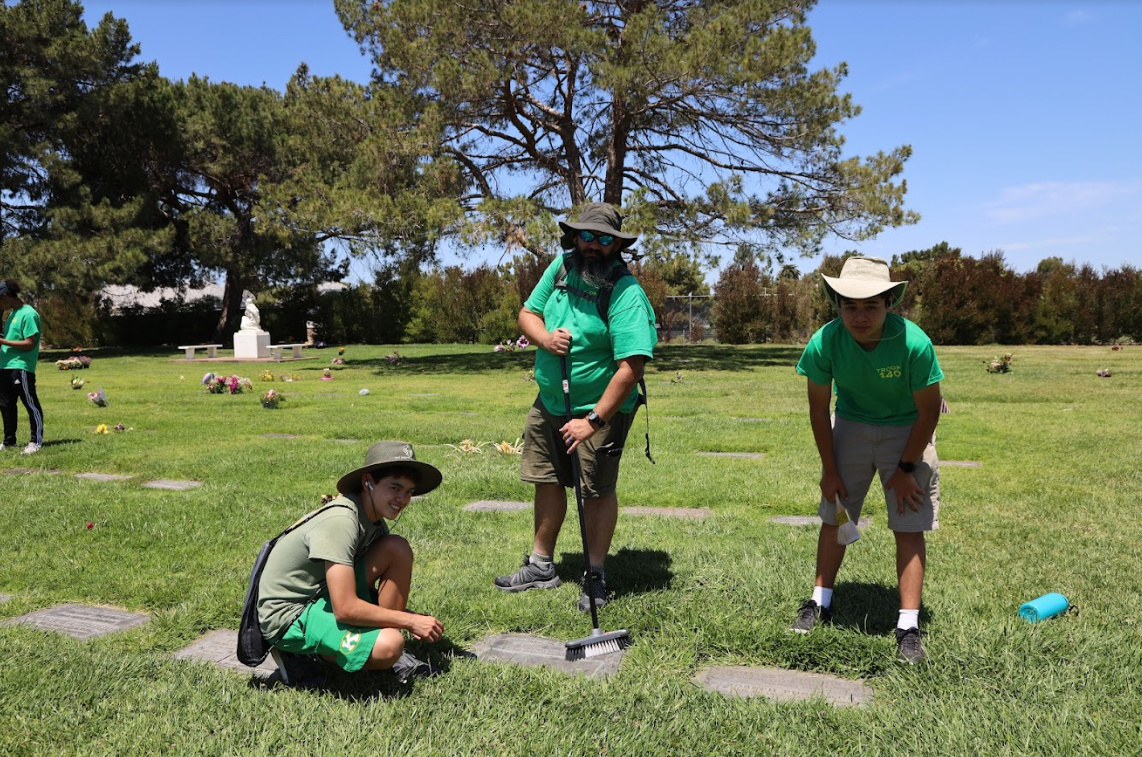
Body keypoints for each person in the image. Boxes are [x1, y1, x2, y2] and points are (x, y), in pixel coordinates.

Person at [494, 202, 658, 612]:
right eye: (587, 236)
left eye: (605, 239)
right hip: (549, 400)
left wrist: (593, 420)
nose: (594, 246)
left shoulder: (626, 292)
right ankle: (540, 565)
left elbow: (631, 366)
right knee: (546, 479)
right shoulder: (561, 268)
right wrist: (546, 340)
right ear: (574, 237)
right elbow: (528, 313)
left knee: (595, 489)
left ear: (616, 246)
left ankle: (596, 574)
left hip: (598, 408)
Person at [791, 257, 944, 664]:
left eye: (871, 306)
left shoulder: (914, 343)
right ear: (836, 303)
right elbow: (818, 410)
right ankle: (820, 602)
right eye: (850, 306)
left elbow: (929, 412)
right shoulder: (824, 342)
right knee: (835, 515)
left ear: (890, 302)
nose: (859, 316)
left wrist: (907, 469)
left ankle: (908, 625)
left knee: (908, 523)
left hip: (908, 429)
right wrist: (830, 470)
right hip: (852, 425)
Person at [257, 441, 445, 686]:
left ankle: (377, 649)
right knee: (390, 645)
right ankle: (297, 653)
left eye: (409, 491)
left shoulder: (372, 519)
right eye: (395, 487)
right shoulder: (342, 520)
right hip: (290, 614)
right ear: (368, 481)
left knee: (396, 548)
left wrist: (406, 618)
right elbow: (345, 608)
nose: (403, 499)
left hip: (321, 594)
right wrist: (409, 621)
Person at [0, 280, 44, 455]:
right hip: (4, 365)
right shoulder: (12, 314)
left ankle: (35, 441)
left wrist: (1, 341)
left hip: (21, 366)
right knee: (6, 405)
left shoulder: (28, 314)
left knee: (30, 403)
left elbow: (29, 343)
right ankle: (9, 441)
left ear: (5, 296)